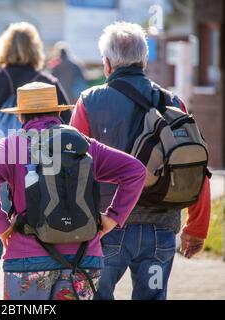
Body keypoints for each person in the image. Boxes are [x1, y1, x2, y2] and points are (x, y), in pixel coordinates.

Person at [70, 21, 211, 300]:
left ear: (107, 63)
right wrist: (196, 228)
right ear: (144, 60)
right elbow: (193, 164)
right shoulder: (172, 102)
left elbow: (73, 168)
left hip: (106, 225)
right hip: (161, 226)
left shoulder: (89, 101)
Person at [0, 82, 146, 300]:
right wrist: (114, 217)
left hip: (27, 258)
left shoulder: (12, 146)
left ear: (21, 117)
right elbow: (136, 171)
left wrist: (1, 226)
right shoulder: (84, 145)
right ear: (58, 112)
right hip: (83, 259)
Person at [0, 22, 71, 300]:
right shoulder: (48, 83)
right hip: (43, 177)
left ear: (3, 47)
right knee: (42, 243)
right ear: (36, 49)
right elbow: (68, 132)